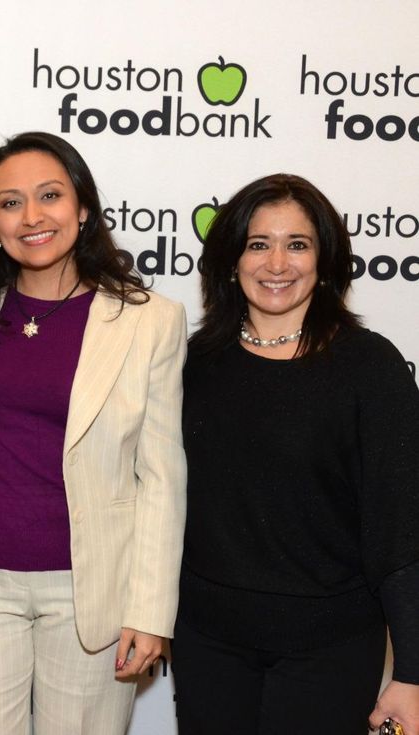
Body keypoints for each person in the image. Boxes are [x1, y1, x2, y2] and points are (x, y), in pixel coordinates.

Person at [0, 131, 187, 734]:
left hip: (90, 588)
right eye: (10, 203)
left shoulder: (150, 321)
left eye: (50, 195)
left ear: (83, 208)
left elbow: (163, 477)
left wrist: (150, 610)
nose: (32, 217)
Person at [174, 173, 419, 735]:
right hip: (208, 642)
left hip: (330, 647)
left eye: (297, 244)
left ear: (325, 260)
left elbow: (402, 529)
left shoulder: (370, 368)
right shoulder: (192, 364)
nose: (276, 263)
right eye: (258, 244)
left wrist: (411, 671)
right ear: (231, 259)